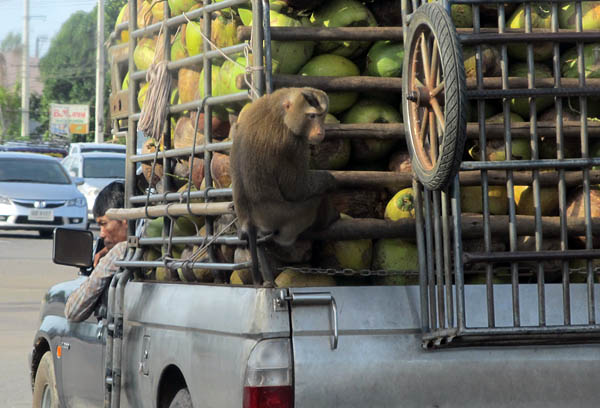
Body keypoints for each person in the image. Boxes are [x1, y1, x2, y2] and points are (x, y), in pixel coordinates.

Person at [65, 181, 128, 322]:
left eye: (104, 224)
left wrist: (105, 262)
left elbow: (73, 311)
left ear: (125, 220)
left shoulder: (120, 251)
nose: (102, 234)